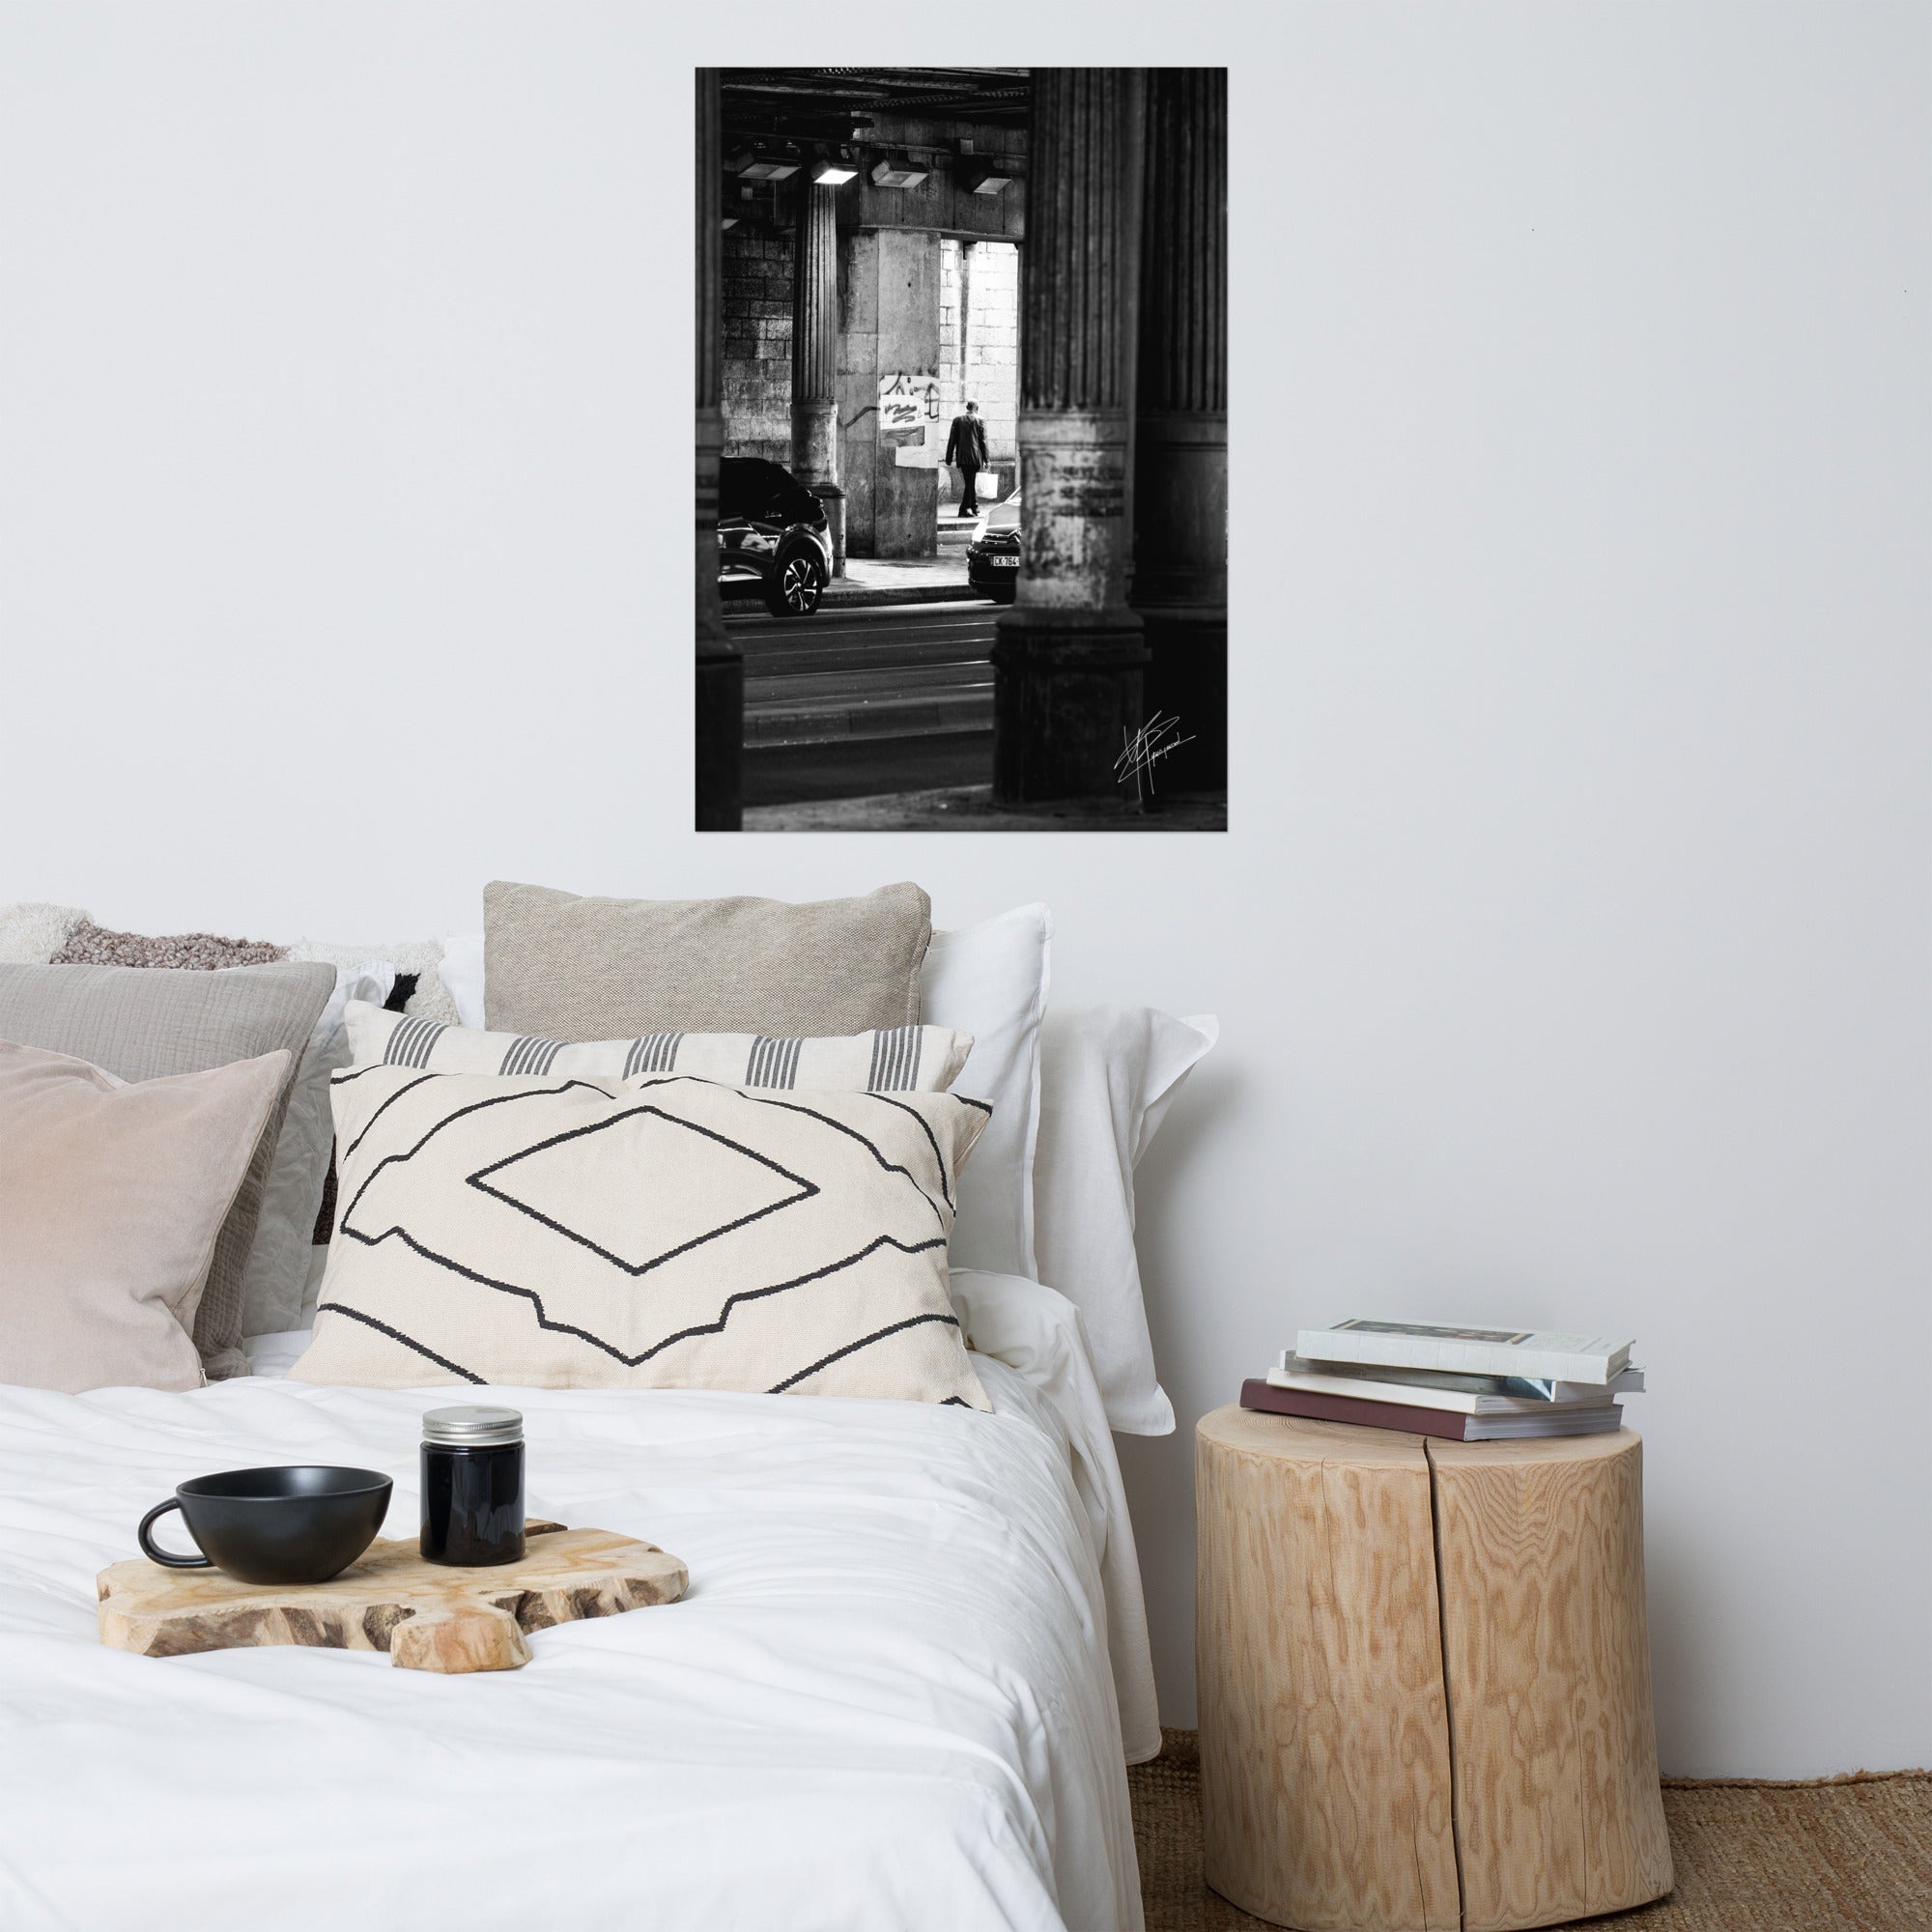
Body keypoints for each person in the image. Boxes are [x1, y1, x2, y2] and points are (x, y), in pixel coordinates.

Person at [944, 400, 989, 518]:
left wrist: (948, 458)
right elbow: (983, 442)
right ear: (976, 408)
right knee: (970, 482)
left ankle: (974, 506)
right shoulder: (980, 420)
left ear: (967, 407)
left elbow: (952, 440)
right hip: (975, 458)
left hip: (962, 458)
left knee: (970, 482)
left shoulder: (957, 420)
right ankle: (964, 508)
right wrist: (987, 459)